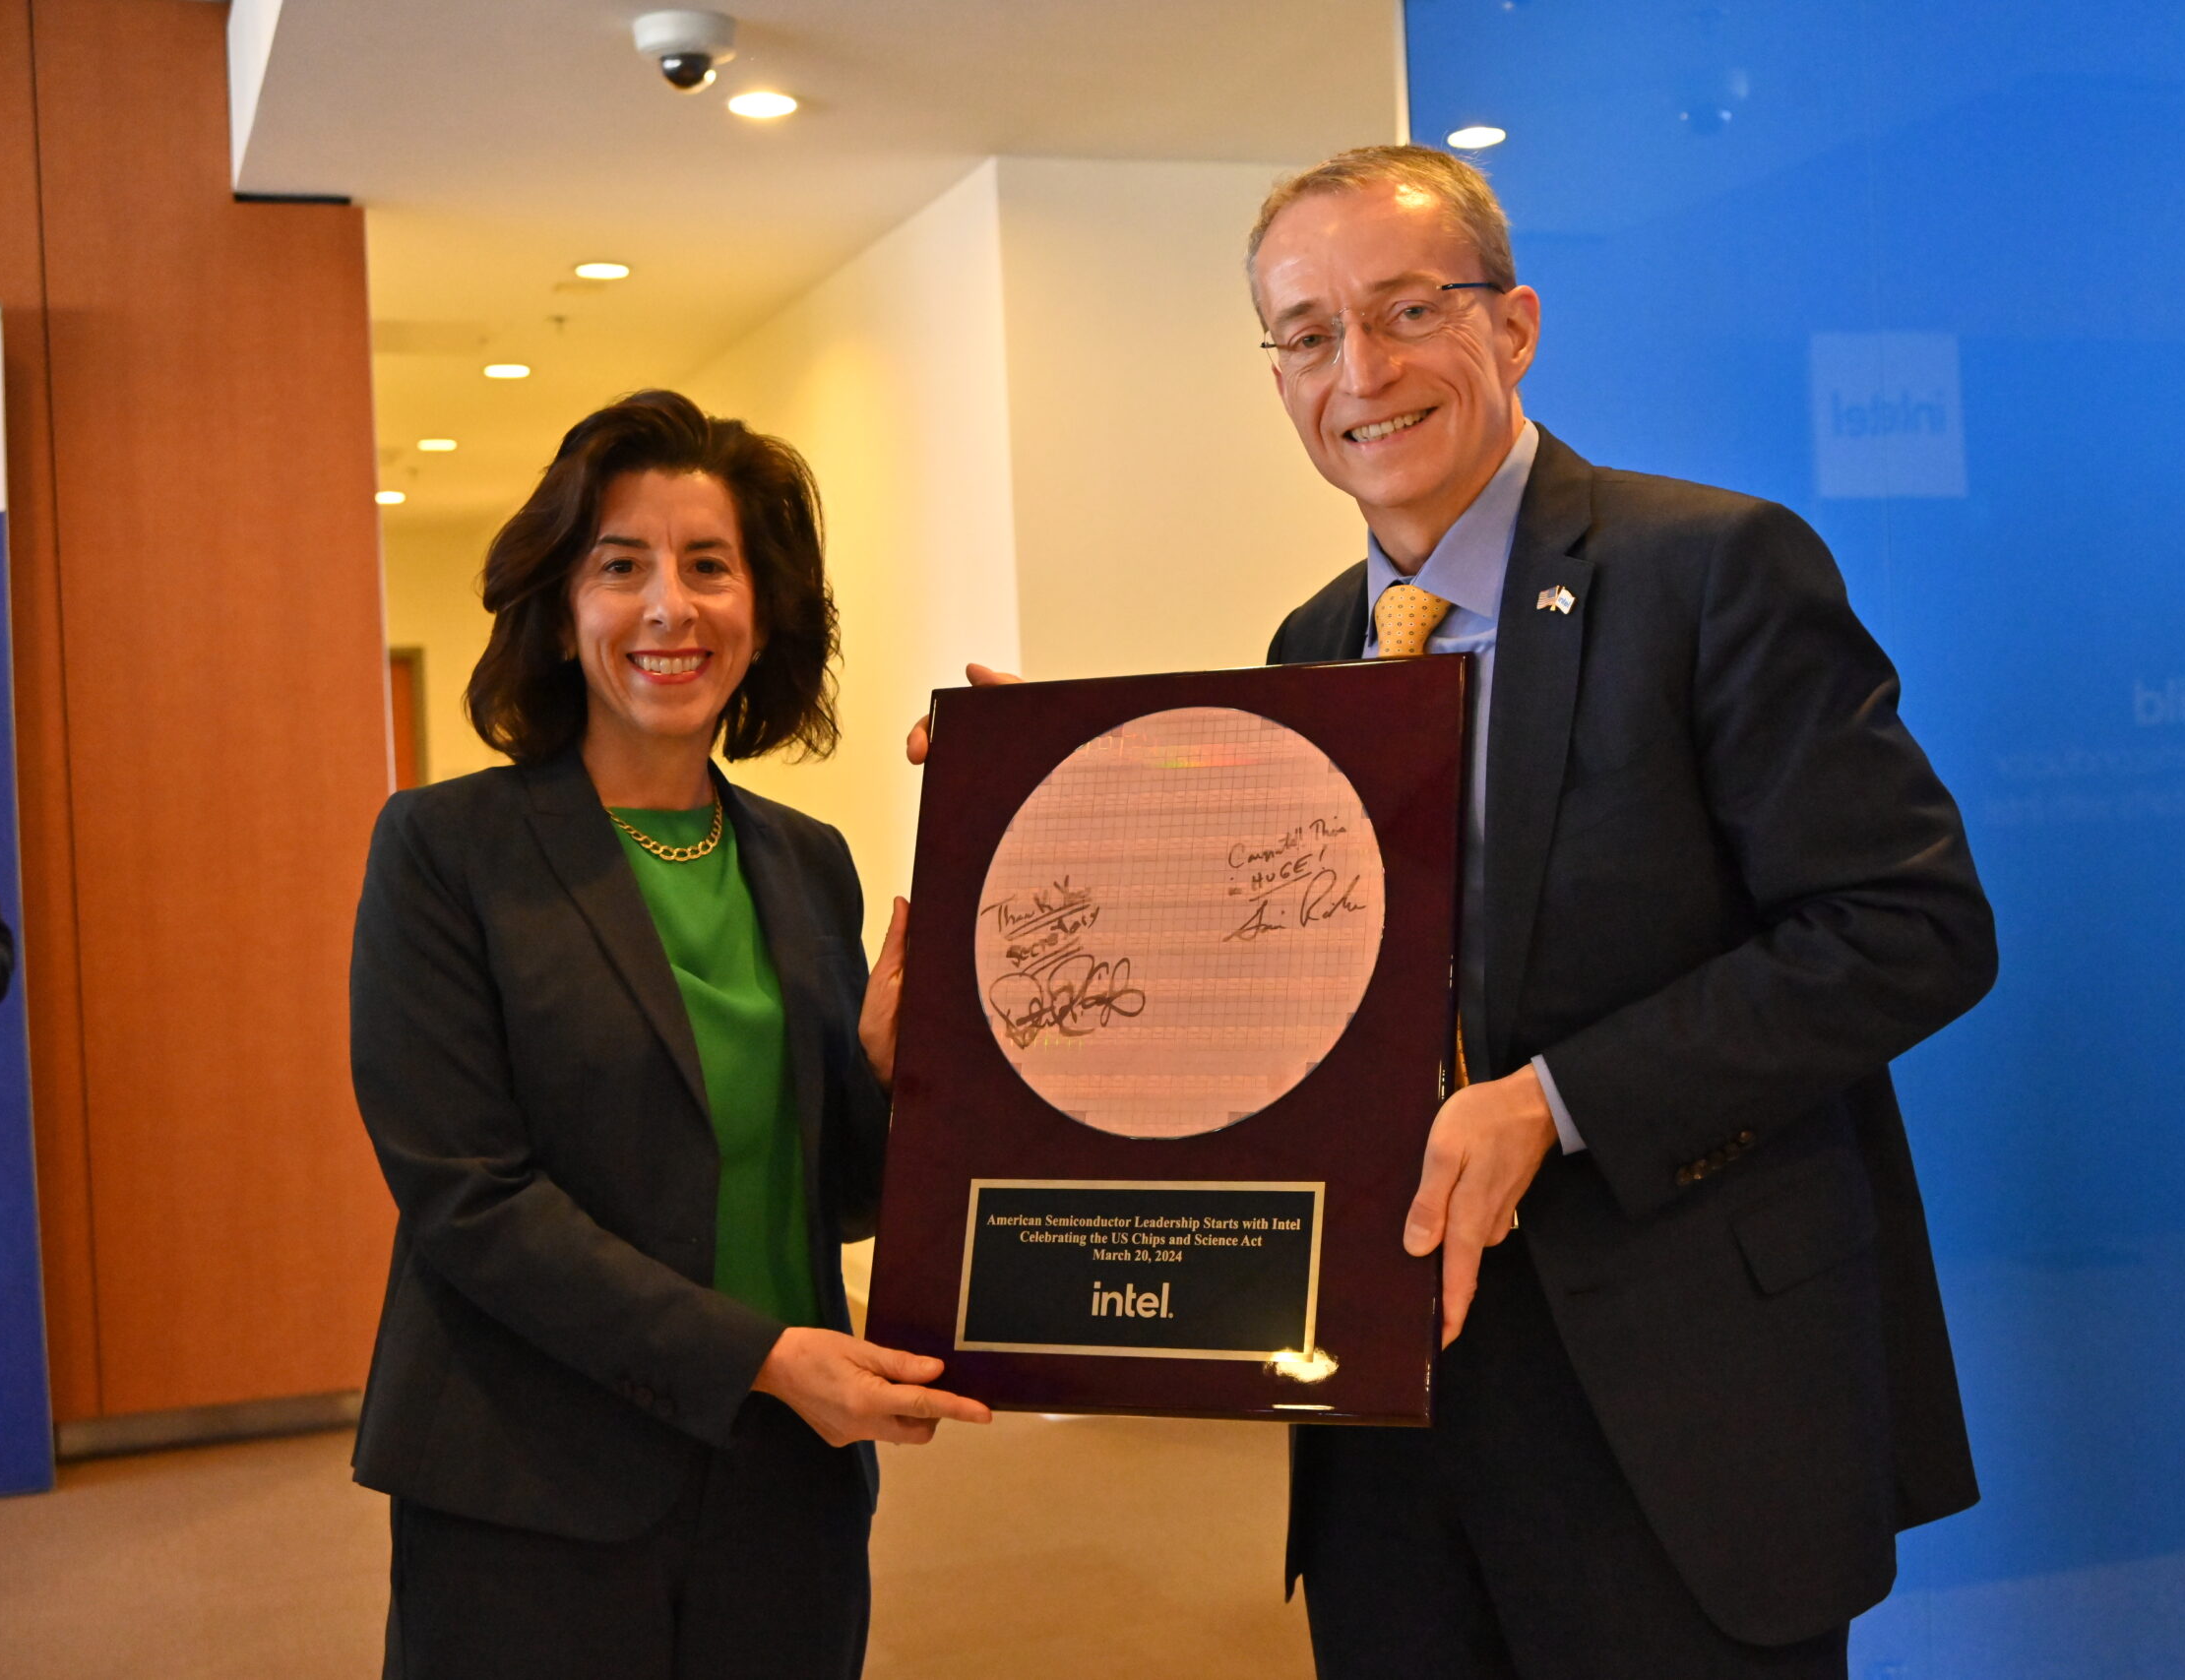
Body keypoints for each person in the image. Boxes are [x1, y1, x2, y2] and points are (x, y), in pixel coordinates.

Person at [913, 145, 1995, 1678]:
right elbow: (1294, 973)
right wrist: (1070, 805)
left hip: (1681, 1393)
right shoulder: (1308, 645)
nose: (1358, 368)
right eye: (1305, 333)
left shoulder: (1709, 569)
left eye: (1407, 308)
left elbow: (1909, 925)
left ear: (1515, 324)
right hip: (1390, 1410)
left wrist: (1555, 1102)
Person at [351, 389, 989, 1680]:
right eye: (620, 565)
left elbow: (832, 1188)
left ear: (766, 611)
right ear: (561, 605)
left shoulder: (805, 862)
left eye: (710, 565)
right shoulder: (443, 849)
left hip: (784, 1482)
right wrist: (754, 1353)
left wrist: (884, 1067)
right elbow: (468, 1198)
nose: (668, 607)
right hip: (532, 1483)